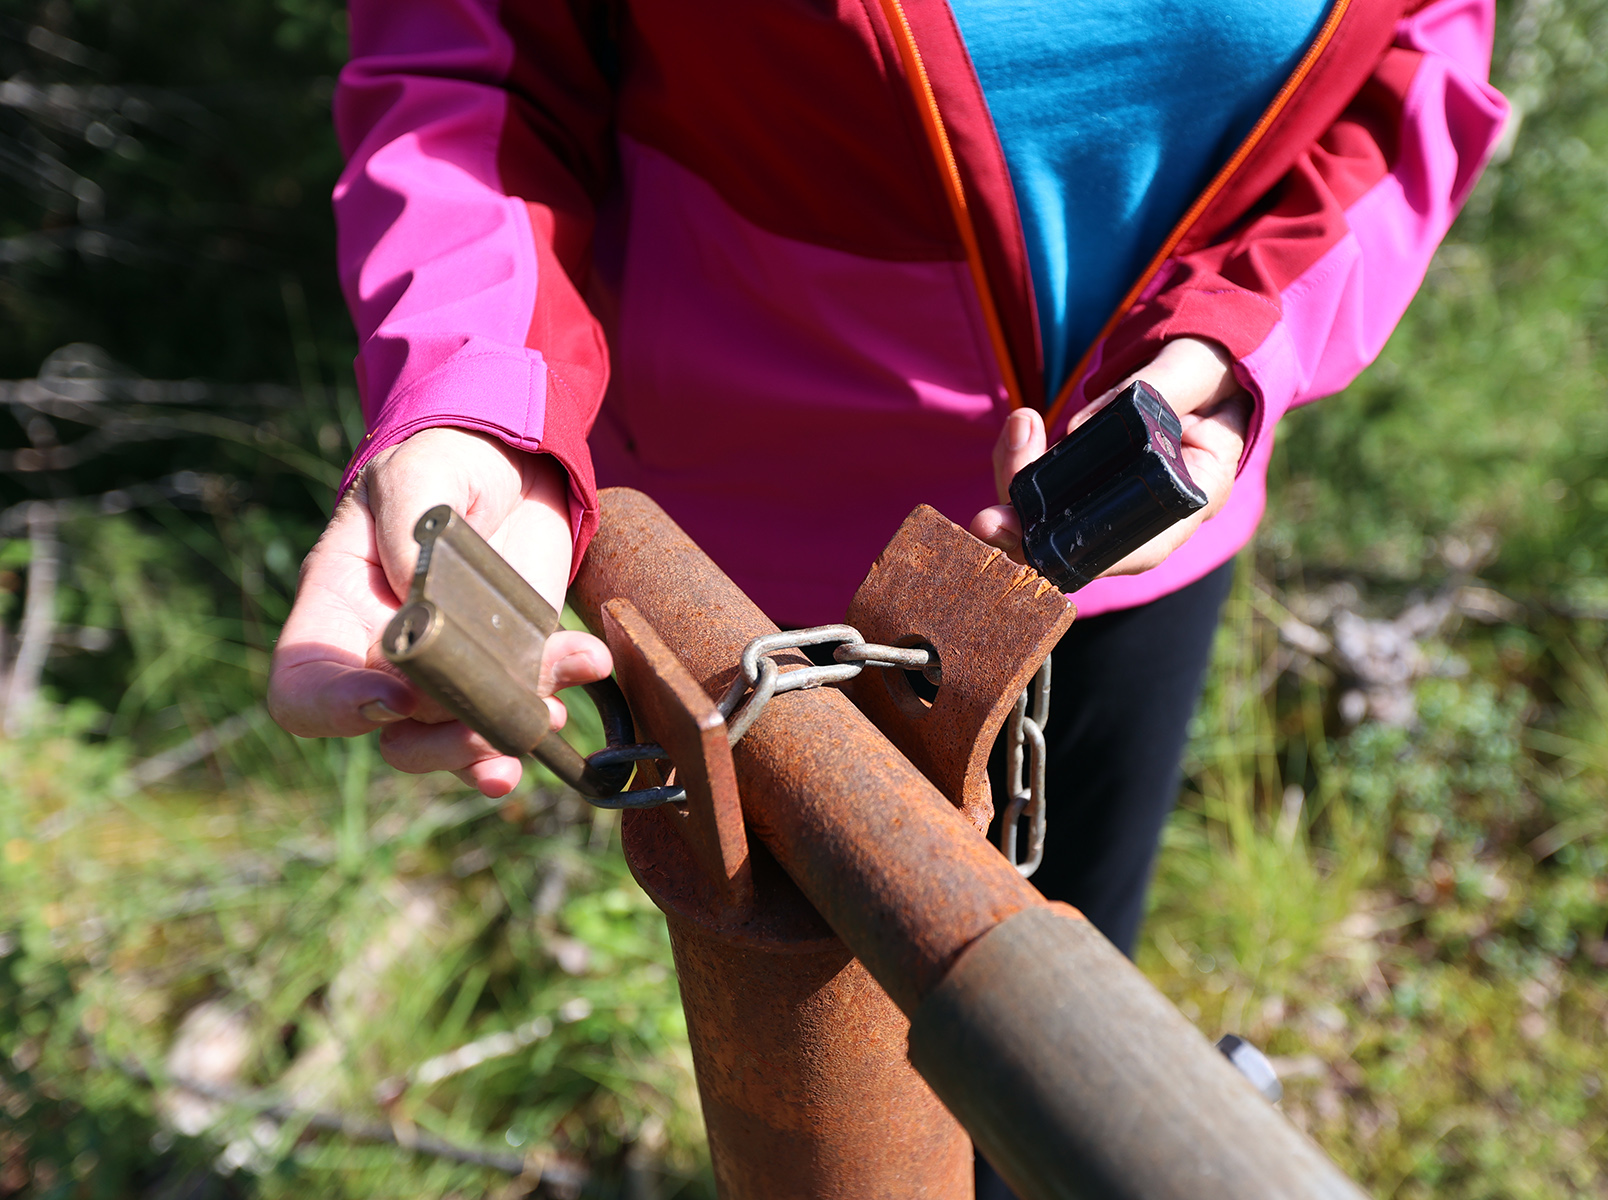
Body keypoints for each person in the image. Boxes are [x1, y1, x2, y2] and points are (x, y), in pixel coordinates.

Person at [269, 1, 1505, 1192]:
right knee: (806, 1056)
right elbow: (474, 65)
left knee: (1060, 1014)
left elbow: (1416, 67)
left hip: (1132, 540)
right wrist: (484, 404)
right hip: (740, 579)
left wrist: (1234, 348)